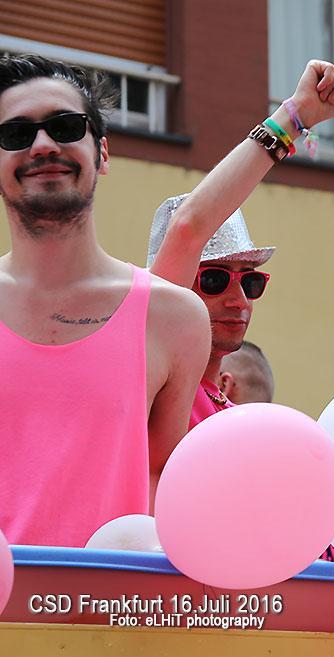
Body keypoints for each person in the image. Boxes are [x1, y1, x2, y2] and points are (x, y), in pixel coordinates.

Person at [0, 54, 210, 547]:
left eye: (65, 126)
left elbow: (161, 479)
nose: (43, 145)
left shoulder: (174, 318)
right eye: (15, 134)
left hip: (114, 616)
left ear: (103, 153)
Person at [146, 60, 334, 428]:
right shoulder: (149, 382)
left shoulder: (237, 419)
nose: (239, 300)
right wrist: (295, 117)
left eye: (250, 281)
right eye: (215, 279)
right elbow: (189, 229)